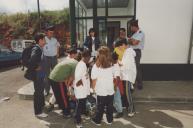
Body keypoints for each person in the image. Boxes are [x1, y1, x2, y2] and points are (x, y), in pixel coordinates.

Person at [91, 46, 114, 126]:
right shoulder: (112, 64)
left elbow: (94, 80)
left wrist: (93, 89)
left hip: (101, 90)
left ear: (99, 55)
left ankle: (97, 121)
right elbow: (114, 77)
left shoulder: (96, 67)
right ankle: (109, 120)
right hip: (110, 89)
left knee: (100, 107)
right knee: (109, 106)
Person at [28, 33, 47, 118]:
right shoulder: (36, 49)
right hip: (38, 76)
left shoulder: (39, 48)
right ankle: (38, 112)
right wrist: (36, 66)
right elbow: (32, 60)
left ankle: (41, 107)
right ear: (40, 40)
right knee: (38, 93)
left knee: (40, 92)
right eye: (44, 39)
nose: (45, 41)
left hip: (41, 75)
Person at [74, 50, 91, 128]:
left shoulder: (83, 64)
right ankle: (78, 121)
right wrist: (82, 85)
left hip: (83, 89)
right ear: (86, 57)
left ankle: (83, 114)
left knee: (82, 103)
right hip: (81, 89)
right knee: (80, 105)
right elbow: (78, 78)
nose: (89, 59)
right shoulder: (81, 65)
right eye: (89, 57)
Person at [119, 39, 136, 117]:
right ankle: (131, 108)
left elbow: (126, 65)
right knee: (127, 92)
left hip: (127, 75)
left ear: (124, 44)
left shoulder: (128, 52)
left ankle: (131, 110)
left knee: (127, 92)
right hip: (127, 74)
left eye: (120, 46)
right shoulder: (128, 51)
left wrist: (119, 62)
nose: (120, 48)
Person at [43, 25, 60, 95]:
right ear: (47, 32)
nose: (51, 34)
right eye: (50, 32)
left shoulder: (54, 40)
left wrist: (57, 53)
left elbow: (58, 45)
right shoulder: (43, 39)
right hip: (46, 58)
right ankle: (47, 90)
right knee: (46, 75)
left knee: (55, 74)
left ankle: (56, 90)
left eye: (52, 32)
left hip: (54, 58)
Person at [129, 19, 145, 90]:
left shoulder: (140, 33)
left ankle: (140, 84)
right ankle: (133, 83)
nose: (131, 29)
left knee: (136, 68)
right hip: (132, 51)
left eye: (131, 27)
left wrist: (131, 41)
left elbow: (135, 43)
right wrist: (131, 40)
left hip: (136, 52)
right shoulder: (135, 34)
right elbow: (130, 41)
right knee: (132, 68)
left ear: (135, 27)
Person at [112, 52, 123, 118]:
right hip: (114, 84)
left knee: (117, 98)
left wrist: (115, 87)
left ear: (114, 60)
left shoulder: (116, 67)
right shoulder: (114, 64)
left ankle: (120, 111)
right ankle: (116, 109)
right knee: (114, 98)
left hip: (116, 84)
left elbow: (118, 78)